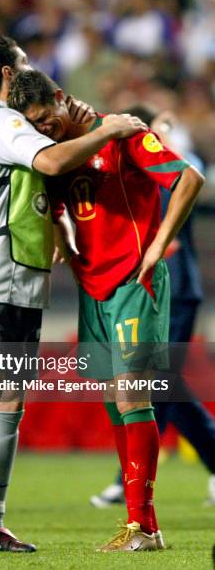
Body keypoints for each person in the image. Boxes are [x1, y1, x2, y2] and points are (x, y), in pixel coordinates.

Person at [0, 35, 148, 553]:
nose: (33, 74)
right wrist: (110, 129)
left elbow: (43, 188)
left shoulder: (10, 123)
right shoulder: (1, 120)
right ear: (8, 76)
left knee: (10, 403)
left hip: (22, 279)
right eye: (25, 66)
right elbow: (53, 164)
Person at [7, 69, 204, 551]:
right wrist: (66, 245)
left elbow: (188, 178)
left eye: (46, 120)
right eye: (35, 127)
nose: (44, 131)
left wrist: (158, 246)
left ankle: (145, 527)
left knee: (133, 399)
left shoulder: (123, 134)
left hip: (135, 282)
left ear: (61, 97)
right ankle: (140, 526)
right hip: (92, 287)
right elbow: (54, 206)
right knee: (113, 404)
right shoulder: (57, 155)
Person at [88, 106, 215, 509]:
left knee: (154, 383)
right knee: (163, 383)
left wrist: (165, 138)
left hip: (175, 286)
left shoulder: (167, 158)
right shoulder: (121, 167)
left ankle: (128, 478)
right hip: (154, 286)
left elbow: (193, 173)